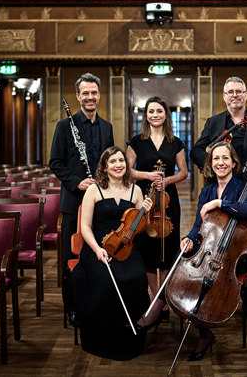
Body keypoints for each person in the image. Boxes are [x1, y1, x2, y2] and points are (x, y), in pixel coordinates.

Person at [137, 142, 247, 361]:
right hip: (210, 250)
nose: (220, 163)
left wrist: (219, 203)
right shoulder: (207, 190)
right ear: (210, 164)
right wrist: (189, 239)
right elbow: (198, 227)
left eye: (224, 158)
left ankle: (194, 328)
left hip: (234, 255)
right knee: (180, 256)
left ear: (233, 162)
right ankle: (166, 304)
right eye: (215, 159)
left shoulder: (242, 187)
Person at [189, 76, 247, 317]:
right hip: (220, 187)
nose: (235, 95)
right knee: (216, 243)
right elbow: (196, 150)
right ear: (224, 96)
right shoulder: (215, 123)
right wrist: (209, 164)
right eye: (230, 92)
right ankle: (216, 290)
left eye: (239, 91)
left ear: (246, 95)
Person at [71, 146, 153, 360]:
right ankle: (102, 338)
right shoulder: (94, 190)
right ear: (105, 167)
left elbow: (140, 228)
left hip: (125, 247)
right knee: (105, 280)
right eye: (113, 162)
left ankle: (130, 336)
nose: (118, 165)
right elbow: (85, 226)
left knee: (136, 278)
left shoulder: (136, 190)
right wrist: (97, 249)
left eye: (121, 161)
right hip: (97, 247)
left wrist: (146, 211)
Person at [49, 72, 114, 326]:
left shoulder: (107, 127)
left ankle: (96, 302)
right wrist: (78, 181)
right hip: (74, 202)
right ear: (78, 96)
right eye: (85, 93)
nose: (90, 97)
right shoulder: (64, 126)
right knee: (72, 257)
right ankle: (73, 307)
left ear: (99, 95)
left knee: (98, 254)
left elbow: (111, 163)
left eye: (94, 92)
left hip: (101, 203)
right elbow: (55, 162)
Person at [126, 97, 188, 317]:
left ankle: (165, 295)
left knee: (169, 247)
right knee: (148, 248)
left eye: (159, 111)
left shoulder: (175, 142)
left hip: (168, 200)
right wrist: (147, 175)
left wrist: (167, 180)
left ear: (165, 114)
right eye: (150, 111)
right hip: (145, 199)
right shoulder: (136, 141)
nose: (155, 115)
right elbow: (127, 170)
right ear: (146, 115)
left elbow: (183, 172)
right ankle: (156, 300)